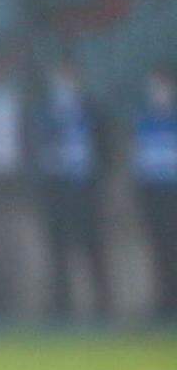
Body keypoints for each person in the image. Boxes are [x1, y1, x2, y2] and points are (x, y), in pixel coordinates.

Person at [31, 54, 109, 322]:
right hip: (56, 187)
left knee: (91, 245)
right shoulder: (45, 109)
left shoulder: (91, 107)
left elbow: (104, 145)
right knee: (59, 247)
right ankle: (62, 306)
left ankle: (101, 305)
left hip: (85, 186)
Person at [133, 63, 177, 322]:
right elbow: (140, 161)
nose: (158, 91)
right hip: (153, 196)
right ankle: (164, 299)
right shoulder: (144, 120)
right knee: (158, 250)